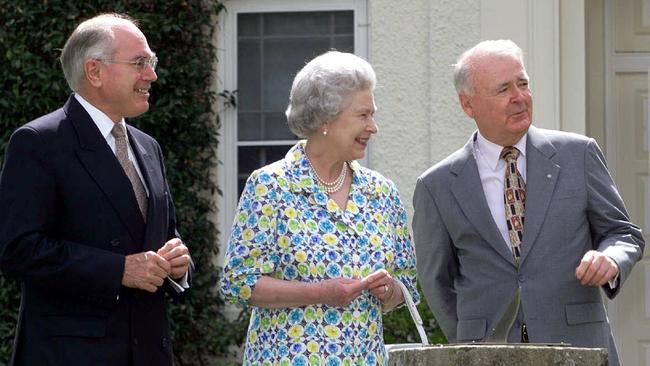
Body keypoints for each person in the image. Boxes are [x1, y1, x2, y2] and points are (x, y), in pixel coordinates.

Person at [412, 39, 644, 366]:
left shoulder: (578, 154)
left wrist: (610, 258)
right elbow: (436, 281)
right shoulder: (436, 185)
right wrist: (472, 340)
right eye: (503, 89)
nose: (519, 98)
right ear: (468, 104)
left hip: (577, 349)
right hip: (487, 355)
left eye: (523, 84)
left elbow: (624, 233)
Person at [0, 13, 192, 365]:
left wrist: (178, 264)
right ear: (95, 71)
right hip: (72, 354)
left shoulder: (148, 147)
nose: (152, 74)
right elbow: (18, 250)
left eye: (152, 62)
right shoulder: (39, 142)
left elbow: (163, 236)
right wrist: (117, 269)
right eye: (140, 63)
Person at [220, 51, 419, 365]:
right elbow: (238, 282)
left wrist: (390, 290)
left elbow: (406, 284)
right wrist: (320, 293)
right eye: (363, 115)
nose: (373, 127)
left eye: (373, 115)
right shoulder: (271, 186)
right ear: (326, 118)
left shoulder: (382, 193)